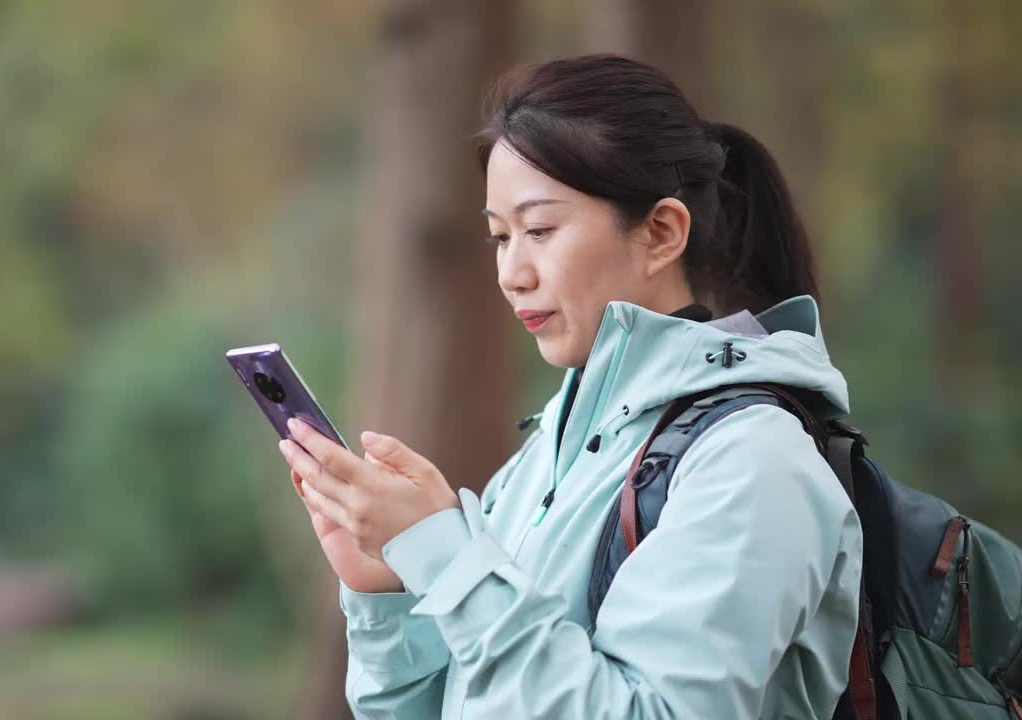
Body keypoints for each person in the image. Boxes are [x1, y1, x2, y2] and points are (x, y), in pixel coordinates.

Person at [276, 53, 862, 719]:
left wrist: (447, 558)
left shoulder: (754, 462)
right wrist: (387, 594)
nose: (512, 272)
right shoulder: (546, 455)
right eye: (499, 237)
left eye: (540, 230)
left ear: (662, 232)